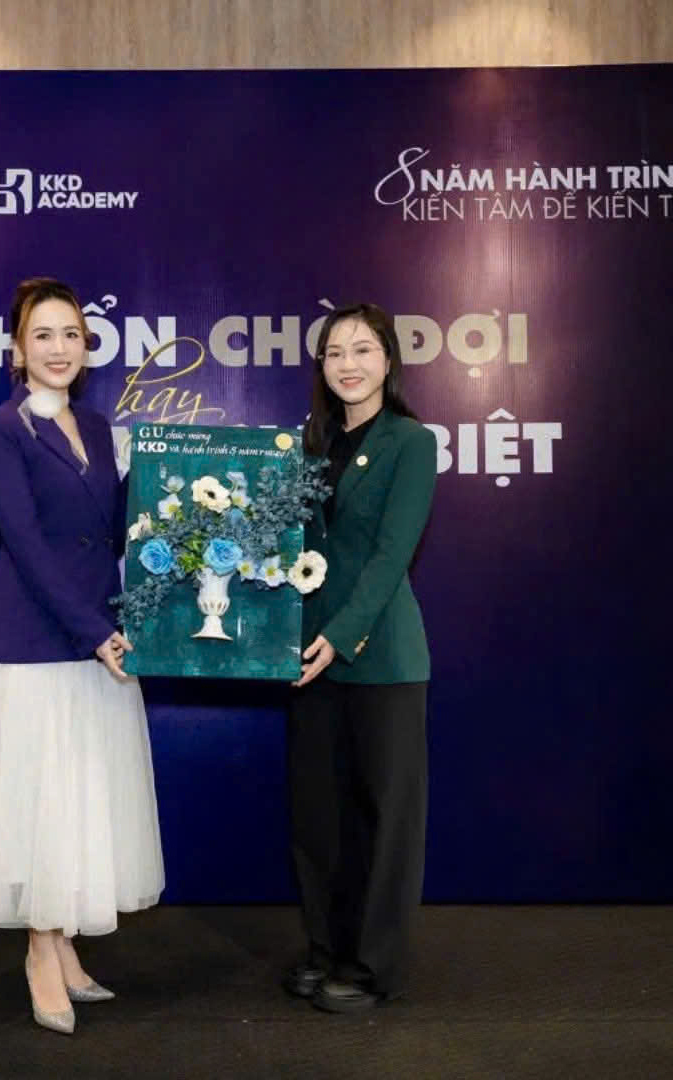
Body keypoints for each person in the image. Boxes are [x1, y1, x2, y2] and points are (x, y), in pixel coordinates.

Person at [0, 277, 164, 1035]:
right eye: (43, 335)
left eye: (71, 335)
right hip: (36, 641)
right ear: (18, 349)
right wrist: (92, 632)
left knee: (77, 800)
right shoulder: (0, 429)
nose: (59, 348)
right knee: (38, 801)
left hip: (99, 634)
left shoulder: (96, 425)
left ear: (87, 346)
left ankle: (63, 945)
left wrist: (175, 481)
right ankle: (38, 951)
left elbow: (119, 527)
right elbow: (26, 547)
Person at [284, 301, 436, 1013]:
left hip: (379, 658)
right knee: (320, 815)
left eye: (363, 349)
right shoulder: (306, 444)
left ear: (388, 360)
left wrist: (341, 636)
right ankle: (326, 950)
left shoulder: (412, 442)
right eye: (335, 352)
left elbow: (390, 556)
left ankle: (372, 966)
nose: (348, 364)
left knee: (384, 817)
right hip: (306, 654)